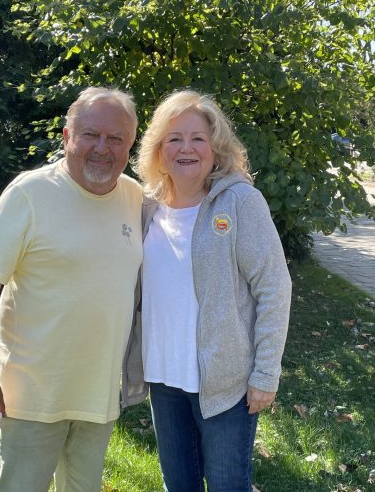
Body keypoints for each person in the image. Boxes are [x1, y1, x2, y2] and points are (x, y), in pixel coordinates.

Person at [0, 87, 143, 492]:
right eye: (90, 135)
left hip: (98, 396)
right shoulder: (29, 194)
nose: (103, 148)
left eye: (116, 138)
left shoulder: (135, 197)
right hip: (31, 397)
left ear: (130, 145)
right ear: (67, 137)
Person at [122, 90, 292, 491]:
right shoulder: (144, 207)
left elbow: (274, 286)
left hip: (225, 384)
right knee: (179, 486)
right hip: (164, 380)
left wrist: (266, 374)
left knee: (228, 486)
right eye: (174, 138)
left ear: (215, 148)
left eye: (197, 138)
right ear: (159, 150)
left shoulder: (239, 203)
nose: (186, 148)